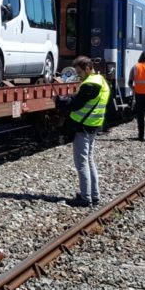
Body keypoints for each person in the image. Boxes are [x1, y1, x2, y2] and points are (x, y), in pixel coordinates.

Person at [56, 56, 109, 207]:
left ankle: (85, 198)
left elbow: (76, 105)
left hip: (83, 126)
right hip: (93, 125)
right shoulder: (100, 80)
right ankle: (94, 195)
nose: (78, 75)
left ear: (87, 68)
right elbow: (82, 99)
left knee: (81, 163)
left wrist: (61, 101)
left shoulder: (90, 85)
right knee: (90, 160)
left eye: (80, 72)